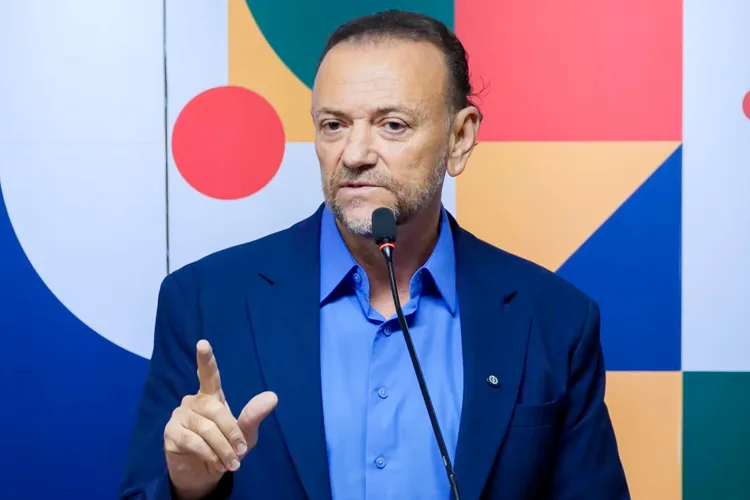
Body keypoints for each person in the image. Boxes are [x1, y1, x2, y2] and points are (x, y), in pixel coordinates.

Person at [119, 10, 629, 500]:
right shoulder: (205, 302)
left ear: (459, 137)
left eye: (393, 125)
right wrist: (188, 487)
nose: (355, 153)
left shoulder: (554, 318)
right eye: (334, 125)